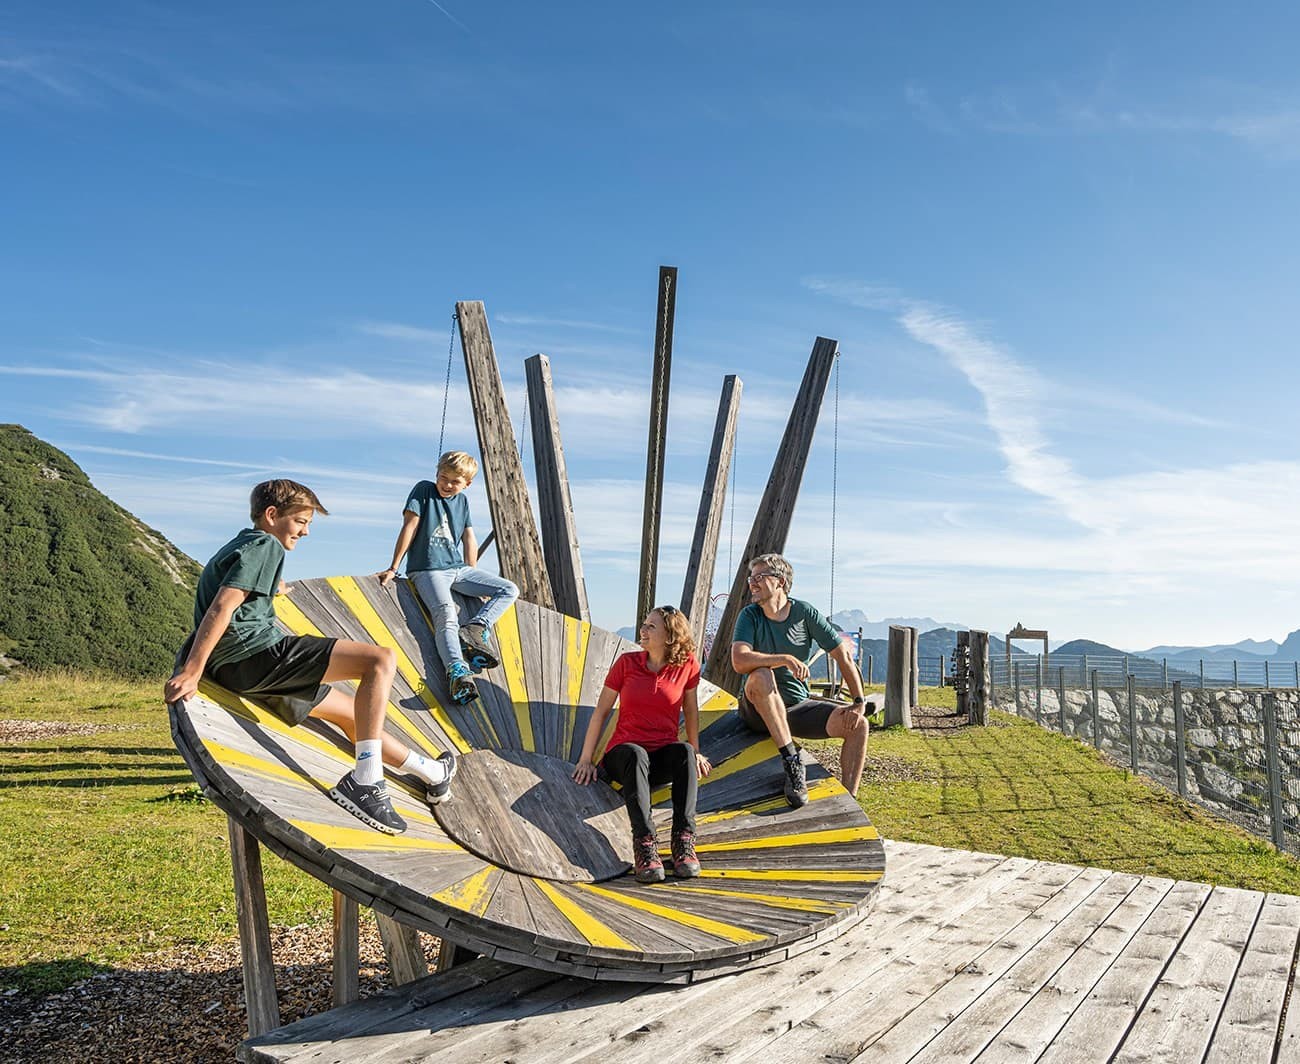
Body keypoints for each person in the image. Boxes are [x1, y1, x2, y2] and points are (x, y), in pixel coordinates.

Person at [165, 479, 456, 836]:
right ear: (272, 515)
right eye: (301, 522)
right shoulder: (266, 545)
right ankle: (366, 782)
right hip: (258, 655)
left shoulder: (245, 543)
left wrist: (273, 588)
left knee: (354, 714)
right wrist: (192, 671)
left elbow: (238, 589)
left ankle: (432, 773)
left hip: (240, 670)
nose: (305, 532)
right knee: (379, 661)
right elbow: (223, 606)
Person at [573, 606, 712, 882]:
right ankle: (645, 845)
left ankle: (683, 841)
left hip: (659, 757)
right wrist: (586, 759)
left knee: (683, 751)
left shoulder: (687, 666)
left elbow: (691, 710)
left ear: (670, 636)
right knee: (636, 754)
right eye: (644, 624)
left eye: (651, 626)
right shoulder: (627, 664)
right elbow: (601, 712)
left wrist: (696, 751)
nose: (643, 630)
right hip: (623, 756)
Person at [378, 451, 518, 707]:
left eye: (455, 481)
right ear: (437, 473)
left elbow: (469, 538)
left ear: (467, 484)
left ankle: (476, 628)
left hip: (458, 569)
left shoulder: (462, 501)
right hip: (427, 569)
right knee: (446, 612)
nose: (447, 484)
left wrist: (473, 574)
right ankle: (457, 671)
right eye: (443, 477)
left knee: (509, 589)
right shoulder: (424, 490)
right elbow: (409, 527)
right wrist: (393, 567)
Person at [730, 552, 868, 808]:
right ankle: (792, 762)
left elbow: (843, 656)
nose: (752, 583)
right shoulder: (750, 615)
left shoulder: (804, 613)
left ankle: (849, 803)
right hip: (757, 711)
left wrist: (859, 702)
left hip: (796, 707)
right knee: (761, 674)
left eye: (759, 577)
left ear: (780, 582)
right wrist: (784, 659)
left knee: (858, 725)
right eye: (751, 578)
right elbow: (739, 660)